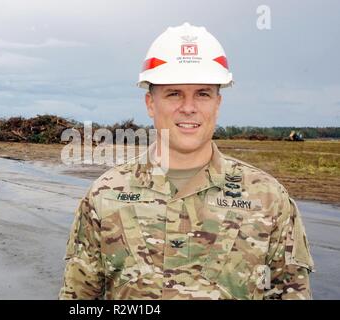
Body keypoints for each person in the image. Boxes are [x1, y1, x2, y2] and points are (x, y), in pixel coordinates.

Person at [59, 22, 314, 300]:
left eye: (203, 94)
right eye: (174, 93)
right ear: (150, 104)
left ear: (218, 103)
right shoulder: (104, 196)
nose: (189, 107)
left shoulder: (269, 199)